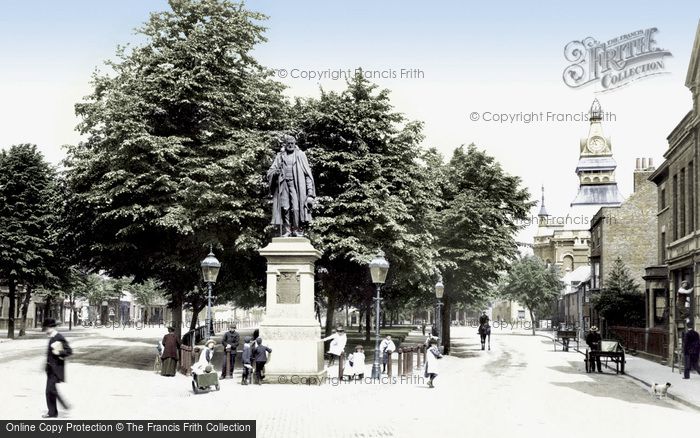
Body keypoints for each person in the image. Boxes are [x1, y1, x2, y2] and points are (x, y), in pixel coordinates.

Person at [266, 134, 316, 237]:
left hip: (297, 185)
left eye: (292, 143)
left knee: (296, 207)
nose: (290, 145)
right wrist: (275, 173)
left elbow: (308, 174)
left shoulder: (300, 155)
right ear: (285, 144)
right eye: (288, 143)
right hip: (284, 184)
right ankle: (287, 229)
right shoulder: (280, 156)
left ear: (295, 144)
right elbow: (271, 171)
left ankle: (297, 229)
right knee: (285, 207)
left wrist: (310, 192)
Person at [43, 319, 72, 418]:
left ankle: (54, 411)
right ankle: (54, 412)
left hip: (56, 369)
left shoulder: (59, 337)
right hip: (50, 369)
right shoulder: (52, 337)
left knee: (49, 390)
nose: (45, 331)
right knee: (51, 390)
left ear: (50, 328)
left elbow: (69, 351)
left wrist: (58, 353)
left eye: (46, 328)